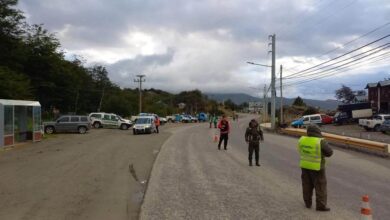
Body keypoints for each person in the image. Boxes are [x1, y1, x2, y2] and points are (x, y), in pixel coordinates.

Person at [298, 124, 333, 211]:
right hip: (317, 167)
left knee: (306, 185)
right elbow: (329, 152)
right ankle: (321, 206)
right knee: (320, 186)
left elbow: (300, 150)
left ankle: (307, 203)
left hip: (305, 166)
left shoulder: (302, 139)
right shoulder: (320, 141)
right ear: (317, 131)